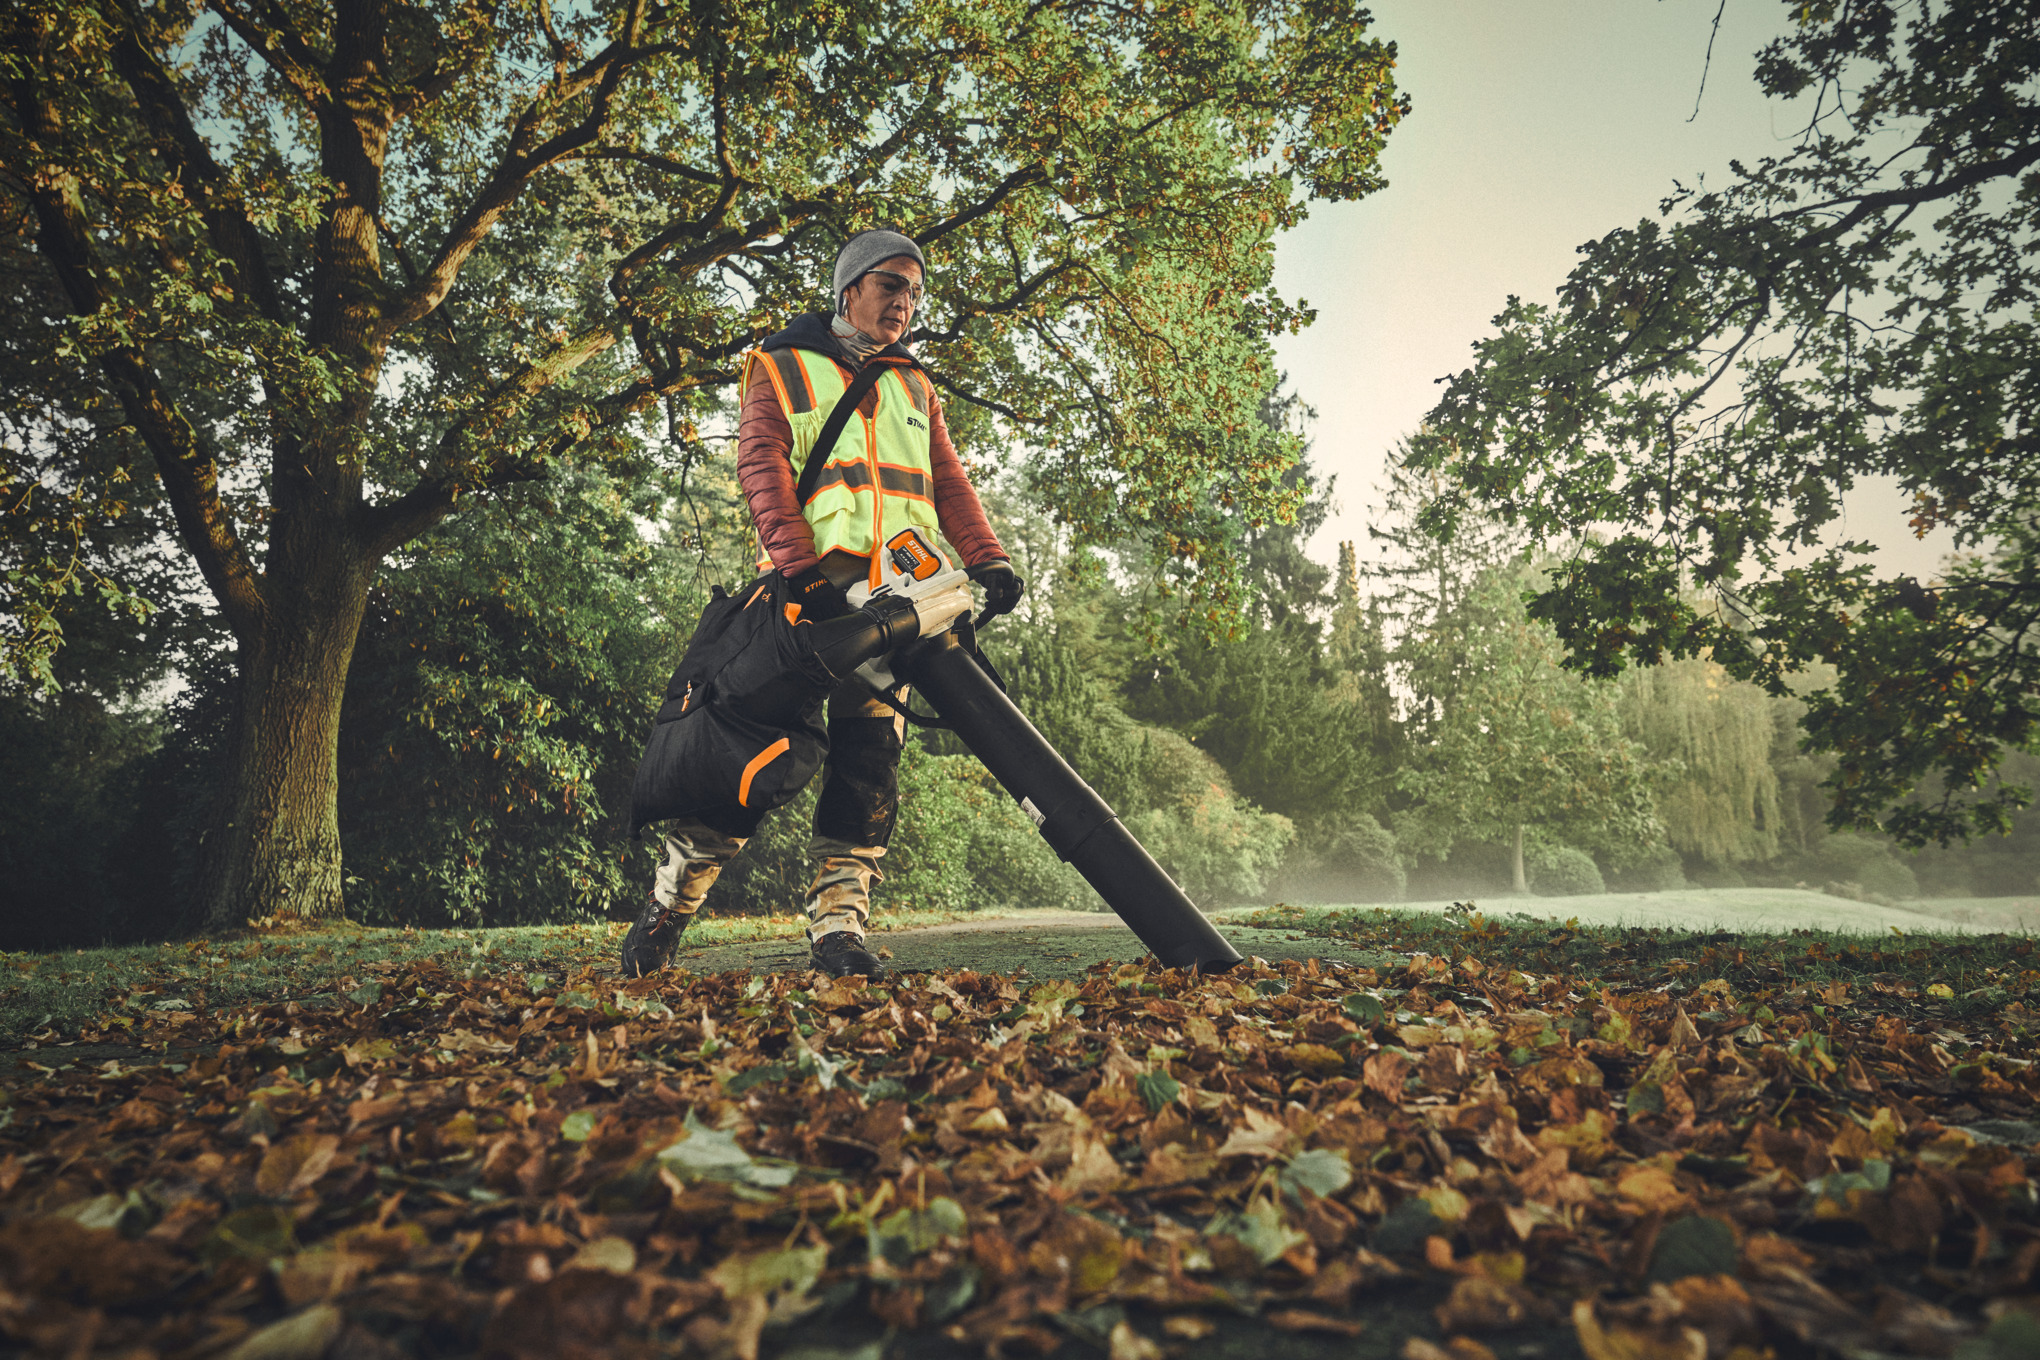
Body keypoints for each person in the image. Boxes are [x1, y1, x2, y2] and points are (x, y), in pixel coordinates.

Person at [622, 229, 1024, 980]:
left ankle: (838, 934)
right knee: (748, 768)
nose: (904, 301)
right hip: (803, 607)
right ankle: (663, 916)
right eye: (889, 286)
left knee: (869, 769)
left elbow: (948, 483)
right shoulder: (780, 364)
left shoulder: (915, 383)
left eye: (913, 290)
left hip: (899, 603)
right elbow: (761, 465)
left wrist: (989, 558)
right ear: (849, 292)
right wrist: (799, 570)